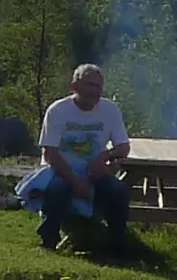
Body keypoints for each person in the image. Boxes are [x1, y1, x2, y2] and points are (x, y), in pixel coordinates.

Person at [35, 63, 132, 252]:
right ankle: (48, 241)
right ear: (75, 86)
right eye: (89, 85)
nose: (94, 91)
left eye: (98, 86)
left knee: (118, 191)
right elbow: (50, 153)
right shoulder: (58, 111)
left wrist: (104, 156)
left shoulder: (110, 109)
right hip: (61, 168)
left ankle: (117, 246)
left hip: (93, 170)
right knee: (56, 190)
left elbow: (123, 147)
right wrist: (74, 180)